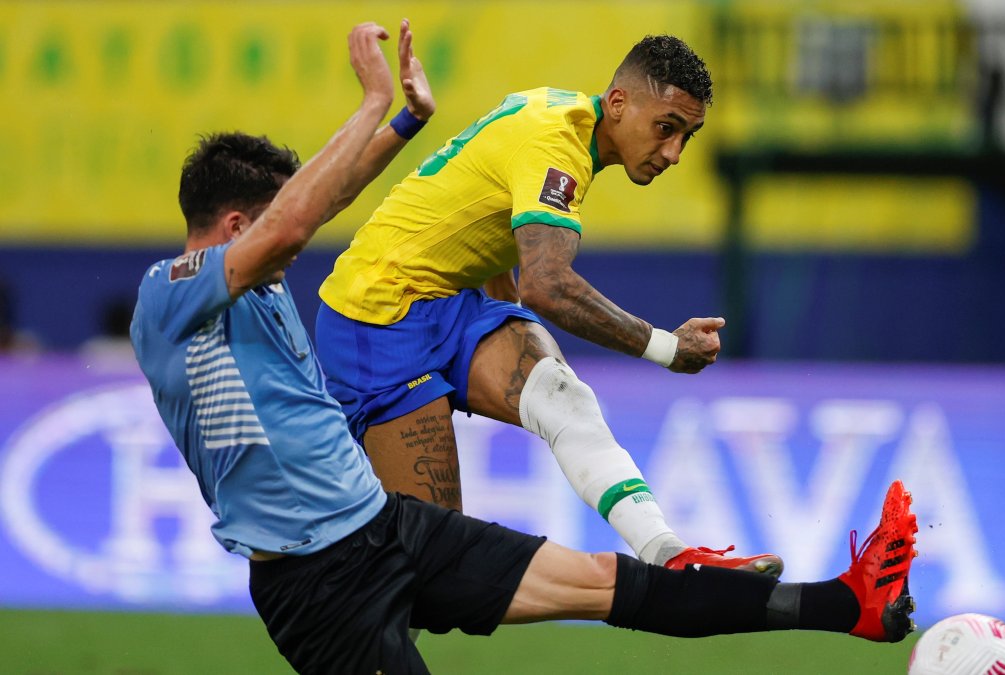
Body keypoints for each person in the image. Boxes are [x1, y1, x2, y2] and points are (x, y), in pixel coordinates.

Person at [130, 20, 918, 674]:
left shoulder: (258, 284)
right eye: (668, 129)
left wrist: (405, 121)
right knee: (443, 604)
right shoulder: (173, 290)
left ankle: (841, 603)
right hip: (322, 565)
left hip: (385, 512)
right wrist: (374, 98)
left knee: (615, 576)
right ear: (236, 227)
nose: (674, 151)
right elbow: (298, 223)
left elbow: (322, 206)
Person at [315, 32, 779, 574]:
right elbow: (548, 284)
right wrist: (666, 348)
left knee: (565, 399)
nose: (674, 152)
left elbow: (477, 214)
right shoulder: (556, 147)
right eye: (665, 129)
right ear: (619, 104)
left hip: (447, 301)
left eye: (686, 136)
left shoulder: (559, 111)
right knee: (429, 572)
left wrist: (507, 322)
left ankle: (670, 557)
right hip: (375, 320)